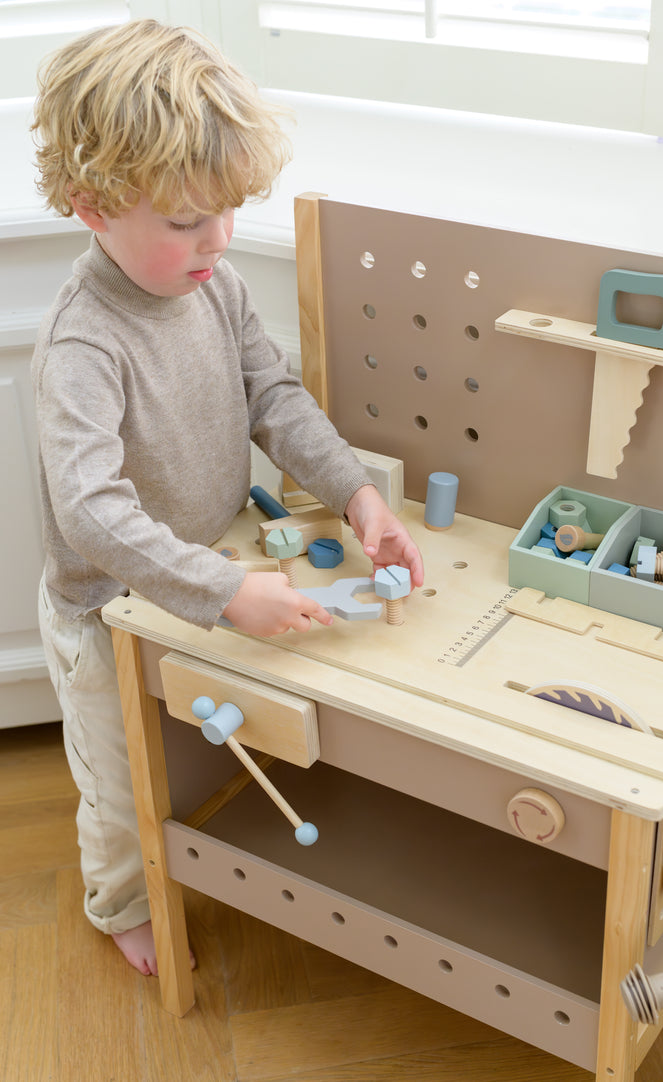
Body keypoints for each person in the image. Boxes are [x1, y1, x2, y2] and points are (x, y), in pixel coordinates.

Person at [31, 18, 424, 977]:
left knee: (200, 744)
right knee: (123, 784)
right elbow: (91, 512)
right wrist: (220, 589)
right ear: (90, 204)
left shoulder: (218, 284)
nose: (218, 240)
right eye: (184, 222)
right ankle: (122, 900)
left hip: (210, 563)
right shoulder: (85, 344)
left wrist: (357, 495)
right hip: (107, 608)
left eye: (228, 211)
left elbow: (274, 398)